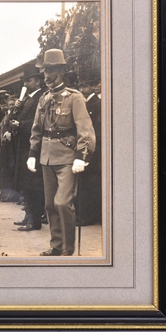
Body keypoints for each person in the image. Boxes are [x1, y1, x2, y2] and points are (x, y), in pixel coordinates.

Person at [28, 49, 96, 256]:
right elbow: (37, 128)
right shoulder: (44, 98)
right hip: (47, 157)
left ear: (62, 71)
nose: (47, 76)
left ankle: (68, 249)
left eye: (51, 70)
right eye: (45, 71)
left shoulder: (75, 98)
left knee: (63, 203)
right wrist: (32, 152)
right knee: (50, 205)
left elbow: (86, 130)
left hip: (67, 158)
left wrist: (82, 157)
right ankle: (56, 246)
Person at [12, 65, 45, 231]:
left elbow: (37, 123)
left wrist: (20, 124)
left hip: (32, 145)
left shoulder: (40, 97)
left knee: (32, 185)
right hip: (24, 144)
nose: (26, 83)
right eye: (25, 80)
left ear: (37, 82)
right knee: (26, 184)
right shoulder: (27, 99)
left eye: (29, 80)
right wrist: (16, 110)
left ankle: (34, 220)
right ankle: (29, 216)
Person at [77, 76, 102, 226]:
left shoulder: (96, 104)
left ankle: (88, 216)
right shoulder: (86, 103)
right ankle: (83, 214)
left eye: (85, 86)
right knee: (84, 181)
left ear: (92, 87)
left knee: (90, 182)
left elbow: (96, 129)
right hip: (85, 146)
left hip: (93, 147)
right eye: (81, 87)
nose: (82, 89)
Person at [0, 95, 19, 202]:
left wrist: (10, 133)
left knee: (11, 169)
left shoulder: (16, 115)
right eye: (9, 104)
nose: (11, 106)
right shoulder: (6, 115)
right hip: (5, 145)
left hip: (12, 146)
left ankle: (11, 194)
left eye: (12, 104)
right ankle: (5, 193)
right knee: (4, 169)